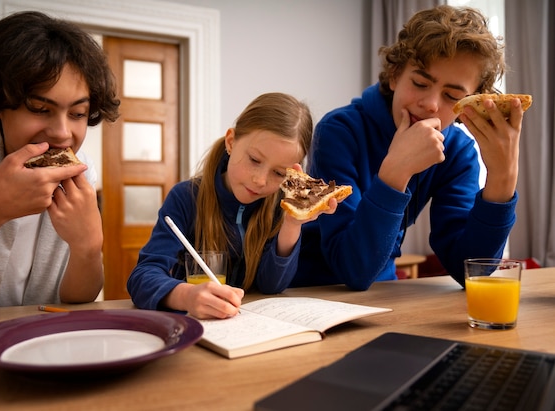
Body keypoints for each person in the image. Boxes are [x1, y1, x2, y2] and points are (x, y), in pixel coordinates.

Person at [293, 5, 522, 290]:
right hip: (311, 290)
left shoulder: (458, 152)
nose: (431, 104)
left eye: (452, 96)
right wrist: (395, 171)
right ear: (394, 75)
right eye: (420, 83)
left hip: (383, 293)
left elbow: (470, 269)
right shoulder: (339, 131)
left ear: (468, 105)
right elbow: (352, 269)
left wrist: (502, 179)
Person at [0, 11, 120, 310]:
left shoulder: (81, 169)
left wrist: (88, 247)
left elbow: (80, 300)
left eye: (78, 113)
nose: (61, 134)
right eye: (39, 108)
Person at [127, 92, 338, 319]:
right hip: (190, 329)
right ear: (231, 142)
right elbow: (142, 277)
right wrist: (187, 296)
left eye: (278, 173)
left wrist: (292, 225)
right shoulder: (185, 198)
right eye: (254, 160)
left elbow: (271, 286)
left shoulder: (280, 206)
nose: (260, 180)